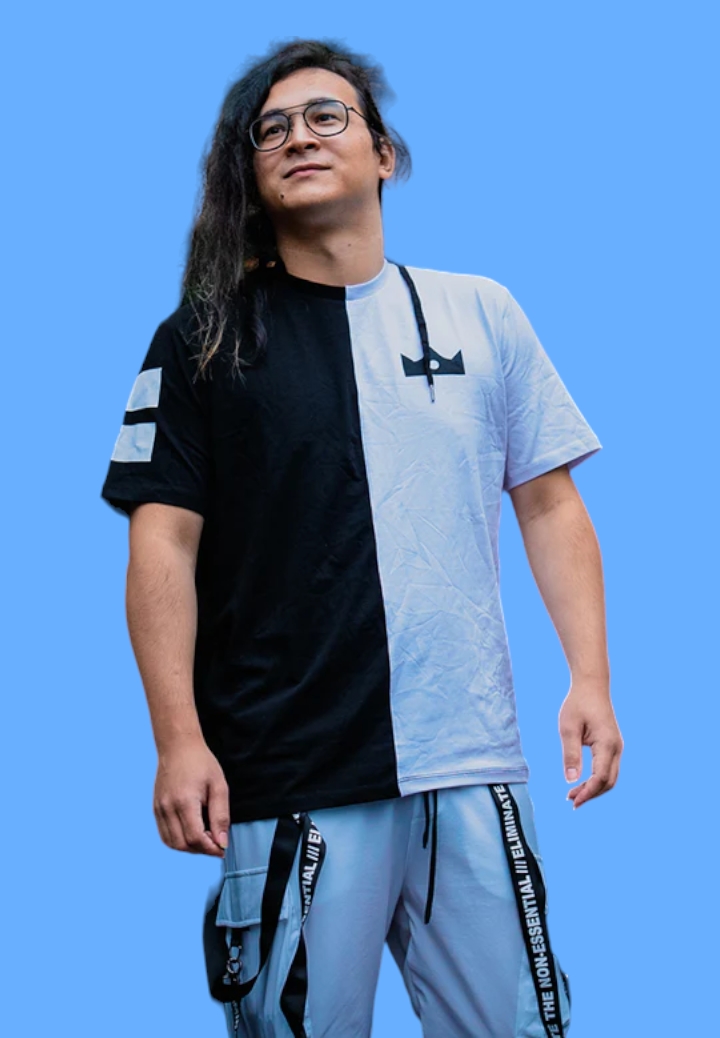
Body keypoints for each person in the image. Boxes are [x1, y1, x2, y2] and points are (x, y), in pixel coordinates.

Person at [100, 37, 623, 1038]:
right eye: (271, 130)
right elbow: (161, 546)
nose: (299, 136)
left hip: (470, 764)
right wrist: (177, 739)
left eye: (325, 116)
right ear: (249, 174)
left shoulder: (482, 312)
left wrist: (590, 679)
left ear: (384, 154)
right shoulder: (203, 339)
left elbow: (550, 503)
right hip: (288, 773)